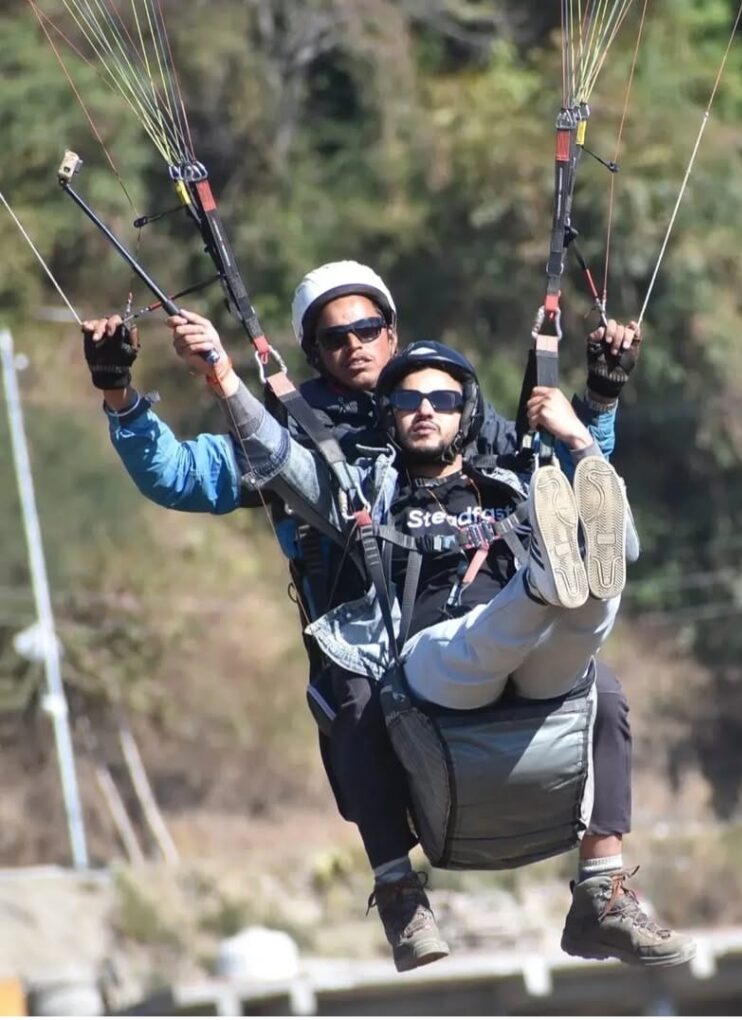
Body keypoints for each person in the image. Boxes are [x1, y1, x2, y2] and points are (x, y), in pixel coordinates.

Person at [81, 265, 664, 969]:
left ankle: (603, 890)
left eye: (368, 330)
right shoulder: (322, 454)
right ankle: (398, 890)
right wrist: (133, 392)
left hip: (509, 620)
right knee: (358, 692)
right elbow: (185, 473)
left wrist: (596, 403)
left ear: (393, 333)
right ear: (314, 352)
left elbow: (585, 495)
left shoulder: (477, 437)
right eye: (335, 338)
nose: (355, 345)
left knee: (597, 672)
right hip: (390, 638)